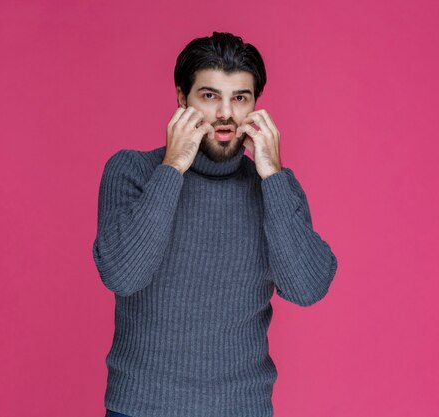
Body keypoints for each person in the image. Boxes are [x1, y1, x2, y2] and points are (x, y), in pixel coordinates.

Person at [92, 31, 338, 417]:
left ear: (255, 105)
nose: (226, 113)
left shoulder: (274, 187)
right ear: (181, 98)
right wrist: (172, 167)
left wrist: (273, 174)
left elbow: (307, 288)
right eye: (209, 96)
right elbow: (122, 275)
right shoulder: (133, 171)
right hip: (140, 407)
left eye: (240, 98)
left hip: (241, 408)